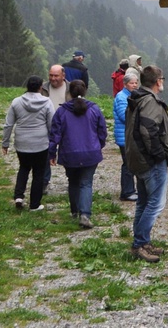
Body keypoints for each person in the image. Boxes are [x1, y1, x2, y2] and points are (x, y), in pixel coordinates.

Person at [125, 65, 168, 263]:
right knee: (155, 204)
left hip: (138, 159)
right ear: (158, 81)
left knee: (143, 202)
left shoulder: (137, 98)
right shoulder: (150, 102)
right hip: (150, 162)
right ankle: (139, 244)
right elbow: (148, 130)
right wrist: (158, 155)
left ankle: (142, 241)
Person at [49, 80, 108, 229]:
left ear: (69, 92)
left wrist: (52, 153)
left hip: (70, 153)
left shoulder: (62, 111)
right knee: (86, 183)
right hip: (90, 152)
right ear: (86, 91)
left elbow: (55, 135)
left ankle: (75, 211)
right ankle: (85, 214)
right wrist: (99, 145)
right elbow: (102, 131)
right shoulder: (94, 109)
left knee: (73, 182)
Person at [2, 75, 54, 211]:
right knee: (38, 172)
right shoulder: (47, 102)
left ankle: (19, 196)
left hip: (22, 141)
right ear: (40, 87)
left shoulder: (16, 102)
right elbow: (51, 124)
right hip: (40, 143)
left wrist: (5, 143)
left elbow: (8, 124)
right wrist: (54, 142)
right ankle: (35, 204)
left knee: (24, 168)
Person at [40, 64, 71, 194]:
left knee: (69, 153)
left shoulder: (71, 88)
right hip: (46, 126)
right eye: (51, 75)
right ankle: (44, 182)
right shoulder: (43, 89)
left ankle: (72, 180)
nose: (53, 78)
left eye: (56, 75)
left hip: (67, 126)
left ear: (63, 76)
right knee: (45, 155)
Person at [113, 71, 139, 201]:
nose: (134, 85)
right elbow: (124, 116)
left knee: (131, 163)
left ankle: (131, 190)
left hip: (130, 135)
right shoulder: (121, 97)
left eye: (136, 83)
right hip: (124, 136)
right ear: (125, 84)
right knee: (128, 164)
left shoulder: (133, 96)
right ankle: (127, 191)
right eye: (131, 83)